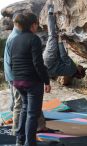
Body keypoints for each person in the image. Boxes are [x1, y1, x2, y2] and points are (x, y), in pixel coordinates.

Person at [11, 13, 51, 146]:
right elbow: (38, 64)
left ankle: (20, 140)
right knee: (32, 114)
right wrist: (46, 81)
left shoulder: (14, 40)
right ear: (33, 25)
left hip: (17, 81)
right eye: (37, 24)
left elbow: (12, 62)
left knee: (24, 108)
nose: (37, 26)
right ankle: (30, 143)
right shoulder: (34, 39)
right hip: (32, 82)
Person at [43, 3, 86, 83]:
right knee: (54, 34)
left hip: (50, 59)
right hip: (47, 67)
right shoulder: (70, 72)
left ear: (79, 72)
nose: (81, 66)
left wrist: (60, 41)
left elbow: (64, 56)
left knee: (52, 35)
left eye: (82, 68)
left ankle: (50, 10)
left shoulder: (72, 68)